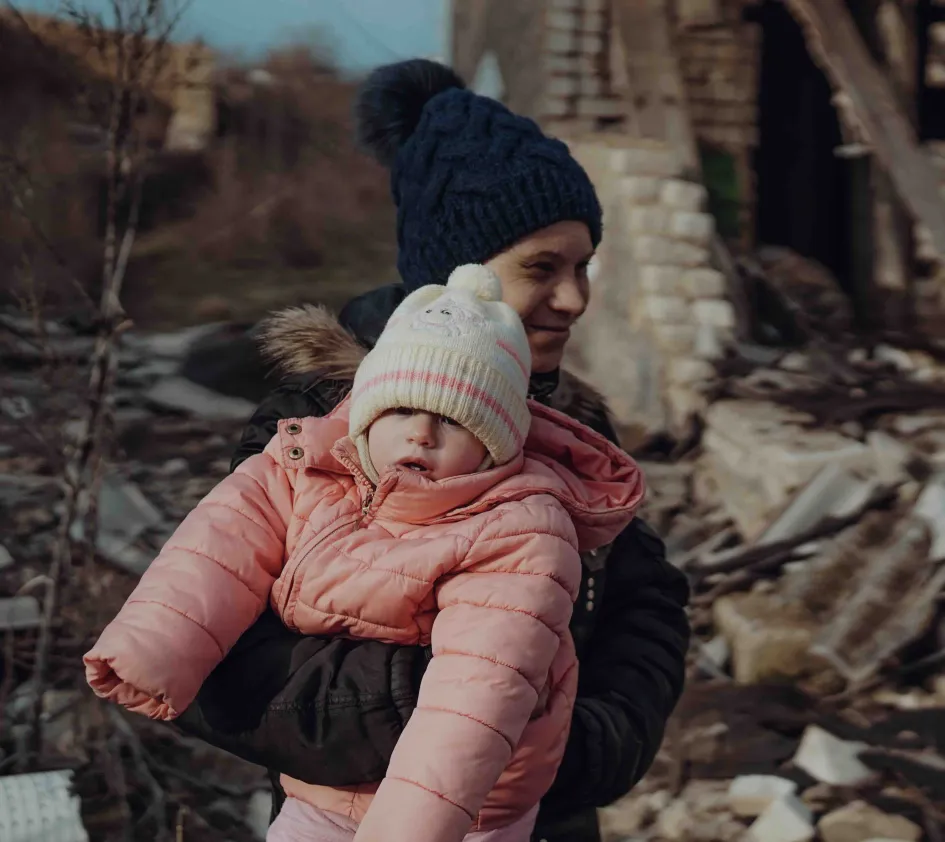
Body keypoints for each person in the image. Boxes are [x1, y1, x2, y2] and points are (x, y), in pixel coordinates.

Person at [175, 59, 692, 842]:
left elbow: (645, 599)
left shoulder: (572, 422)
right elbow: (215, 664)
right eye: (541, 269)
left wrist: (590, 742)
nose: (575, 298)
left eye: (582, 265)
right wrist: (458, 703)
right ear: (455, 273)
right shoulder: (319, 424)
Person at [85, 264, 645, 842]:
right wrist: (150, 650)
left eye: (452, 420)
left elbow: (474, 700)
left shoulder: (517, 528)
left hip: (468, 806)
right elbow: (217, 544)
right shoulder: (309, 464)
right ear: (366, 413)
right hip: (324, 786)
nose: (420, 434)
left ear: (494, 447)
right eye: (401, 410)